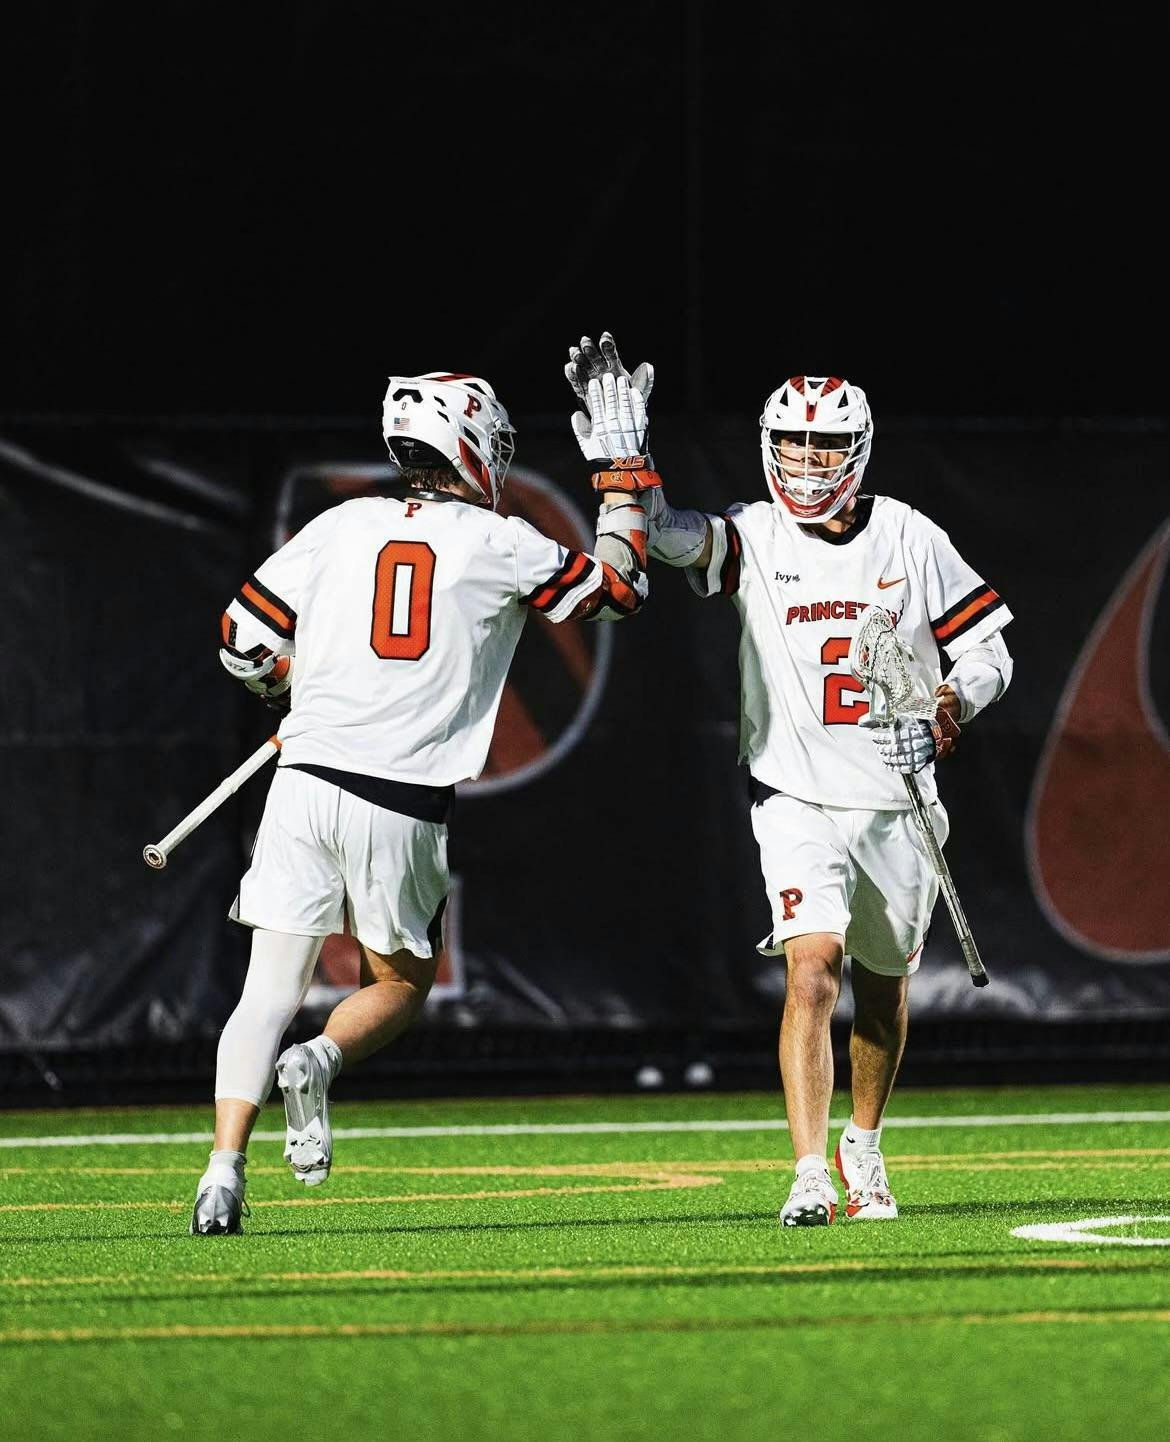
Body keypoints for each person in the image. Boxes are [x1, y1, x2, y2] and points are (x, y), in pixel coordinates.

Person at [191, 368, 649, 1234]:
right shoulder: (499, 540)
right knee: (402, 984)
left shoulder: (339, 524)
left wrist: (290, 684)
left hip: (303, 780)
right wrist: (623, 482)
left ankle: (221, 1175)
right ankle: (321, 1059)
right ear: (470, 446)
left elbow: (241, 639)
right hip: (398, 796)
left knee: (265, 991)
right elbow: (619, 593)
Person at [566, 345, 1013, 1226]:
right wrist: (625, 467)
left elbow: (989, 649)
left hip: (897, 799)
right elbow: (664, 535)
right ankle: (809, 1171)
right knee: (812, 970)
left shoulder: (910, 535)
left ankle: (864, 1142)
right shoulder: (755, 534)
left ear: (859, 451)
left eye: (826, 445)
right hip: (795, 793)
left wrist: (951, 701)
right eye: (795, 443)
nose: (808, 461)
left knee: (882, 991)